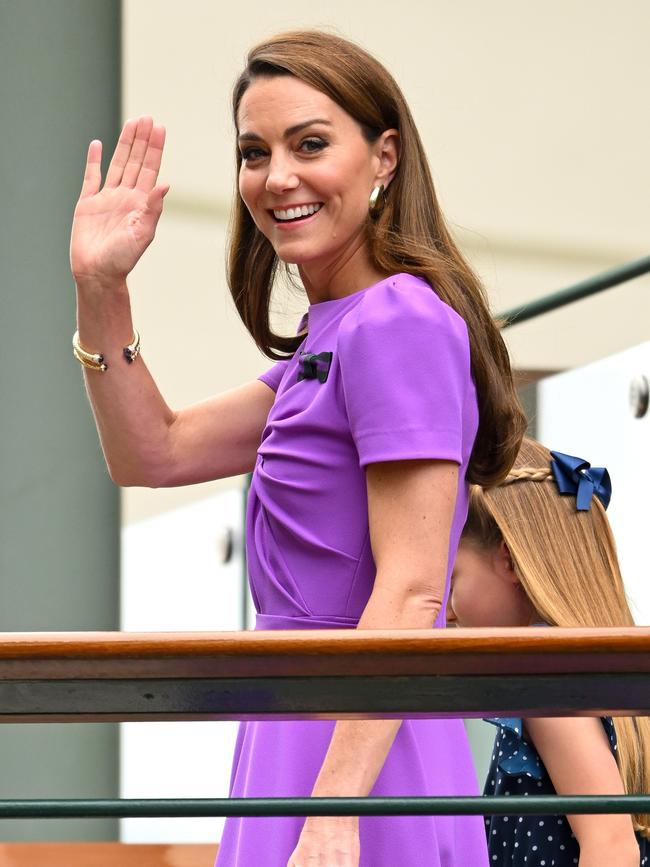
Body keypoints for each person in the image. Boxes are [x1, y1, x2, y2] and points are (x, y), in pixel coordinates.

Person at [69, 29, 526, 867]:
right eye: (254, 152)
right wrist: (102, 288)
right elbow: (153, 453)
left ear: (384, 156)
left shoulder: (397, 320)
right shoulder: (335, 337)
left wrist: (334, 812)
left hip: (353, 754)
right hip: (298, 727)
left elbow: (415, 587)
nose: (276, 177)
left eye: (309, 144)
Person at [448, 437, 650, 866]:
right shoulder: (593, 676)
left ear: (509, 562)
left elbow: (611, 846)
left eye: (453, 578)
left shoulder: (546, 688)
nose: (446, 608)